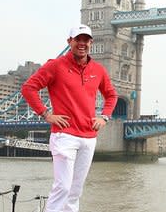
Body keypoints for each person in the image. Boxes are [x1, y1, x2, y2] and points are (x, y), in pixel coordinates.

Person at [21, 24, 118, 212]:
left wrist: (104, 117)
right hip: (64, 136)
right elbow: (28, 88)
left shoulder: (98, 70)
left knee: (75, 191)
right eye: (77, 39)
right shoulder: (55, 66)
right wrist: (46, 114)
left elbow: (111, 95)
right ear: (69, 42)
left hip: (89, 137)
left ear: (91, 43)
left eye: (86, 40)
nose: (82, 43)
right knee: (62, 188)